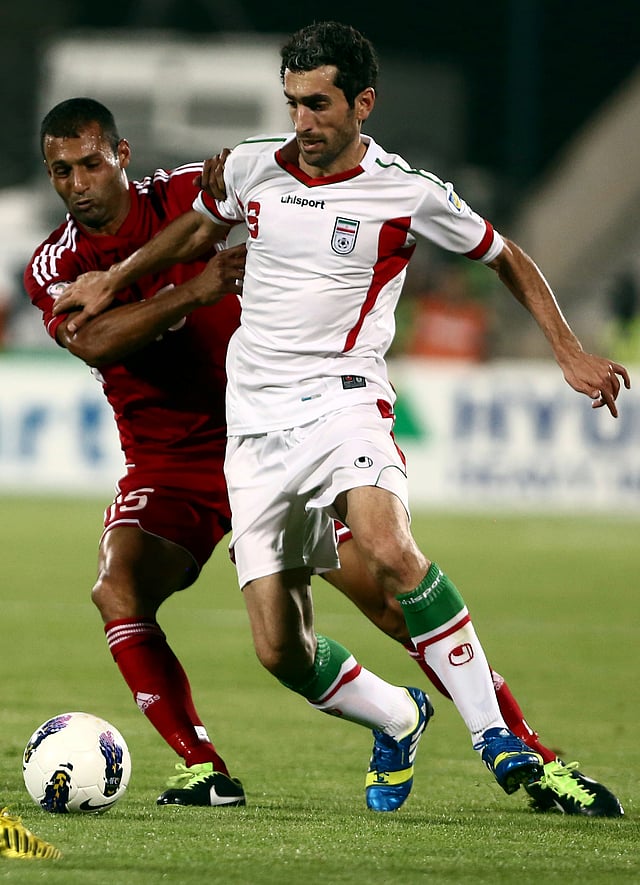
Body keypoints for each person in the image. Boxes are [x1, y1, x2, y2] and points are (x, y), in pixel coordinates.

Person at [35, 97, 623, 816]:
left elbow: (265, 183)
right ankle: (210, 764)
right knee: (134, 595)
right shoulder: (54, 262)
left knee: (392, 594)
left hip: (289, 426)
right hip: (171, 462)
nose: (77, 182)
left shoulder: (193, 188)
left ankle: (532, 754)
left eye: (89, 163)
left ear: (121, 155)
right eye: (61, 170)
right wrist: (200, 287)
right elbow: (93, 340)